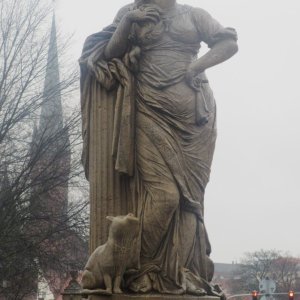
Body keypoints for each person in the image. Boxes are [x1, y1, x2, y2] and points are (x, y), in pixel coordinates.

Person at [80, 0, 237, 295]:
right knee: (165, 195)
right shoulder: (131, 13)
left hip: (195, 118)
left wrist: (197, 66)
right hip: (147, 109)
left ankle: (184, 271)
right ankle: (140, 267)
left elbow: (228, 43)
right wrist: (129, 23)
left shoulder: (194, 15)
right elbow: (109, 52)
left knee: (189, 201)